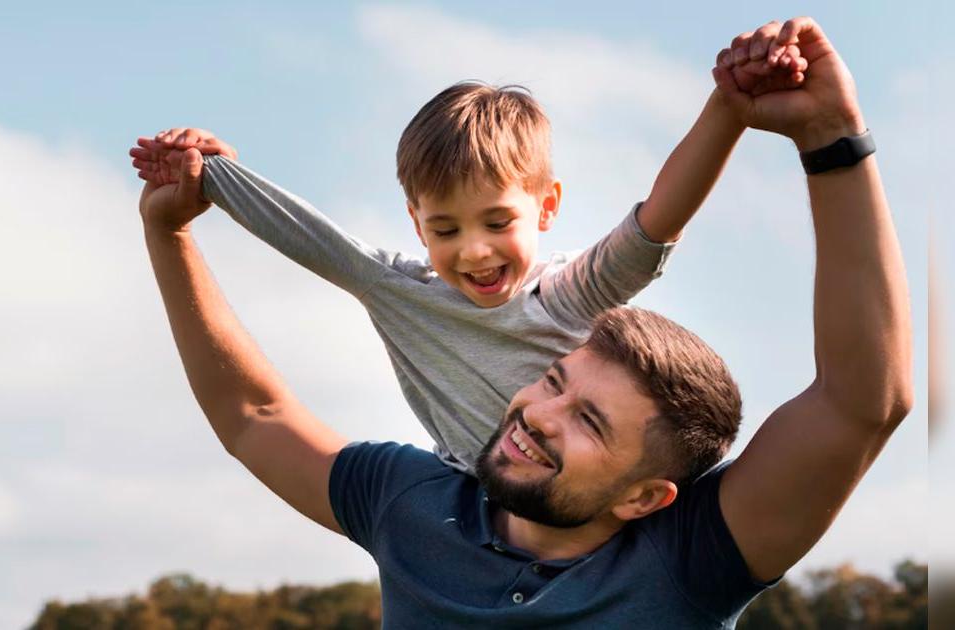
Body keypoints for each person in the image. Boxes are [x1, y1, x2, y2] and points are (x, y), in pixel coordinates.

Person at [139, 17, 911, 627]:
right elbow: (253, 415)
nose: (536, 414)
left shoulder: (693, 560)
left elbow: (861, 402)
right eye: (553, 378)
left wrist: (831, 137)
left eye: (591, 422)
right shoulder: (411, 506)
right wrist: (170, 233)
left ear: (645, 496)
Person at [128, 30, 807, 473]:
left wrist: (729, 107)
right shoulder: (400, 292)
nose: (475, 250)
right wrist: (208, 170)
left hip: (604, 510)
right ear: (417, 225)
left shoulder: (567, 294)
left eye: (497, 221)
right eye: (446, 229)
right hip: (477, 510)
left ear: (546, 207)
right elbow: (307, 235)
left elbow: (659, 219)